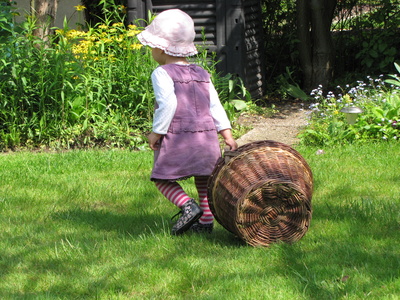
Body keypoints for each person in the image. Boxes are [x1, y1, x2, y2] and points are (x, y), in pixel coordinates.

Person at [137, 9, 238, 236]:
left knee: (162, 178)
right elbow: (215, 105)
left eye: (152, 46)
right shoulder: (202, 72)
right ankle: (205, 222)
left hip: (178, 137)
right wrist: (227, 133)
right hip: (206, 138)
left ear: (162, 48)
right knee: (204, 179)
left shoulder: (162, 72)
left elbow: (169, 104)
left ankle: (186, 205)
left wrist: (156, 132)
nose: (152, 51)